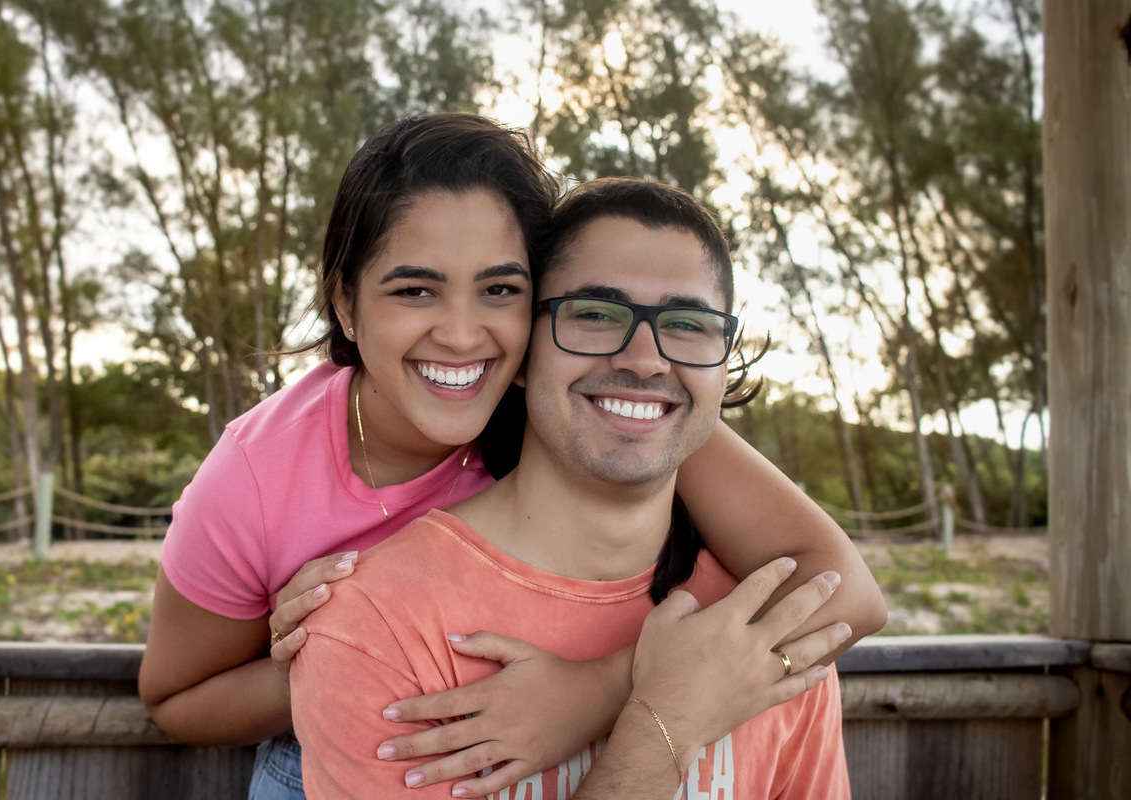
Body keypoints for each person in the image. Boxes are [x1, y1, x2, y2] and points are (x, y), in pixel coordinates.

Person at [139, 114, 883, 799]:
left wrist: (597, 691)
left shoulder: (622, 406)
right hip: (328, 746)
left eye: (499, 289)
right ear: (345, 303)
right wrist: (324, 654)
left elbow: (844, 590)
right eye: (415, 290)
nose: (463, 336)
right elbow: (174, 697)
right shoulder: (264, 470)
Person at [290, 178, 854, 799]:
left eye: (688, 324)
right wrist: (664, 722)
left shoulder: (772, 622)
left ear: (723, 363)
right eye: (594, 314)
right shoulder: (373, 625)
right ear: (524, 350)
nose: (645, 360)